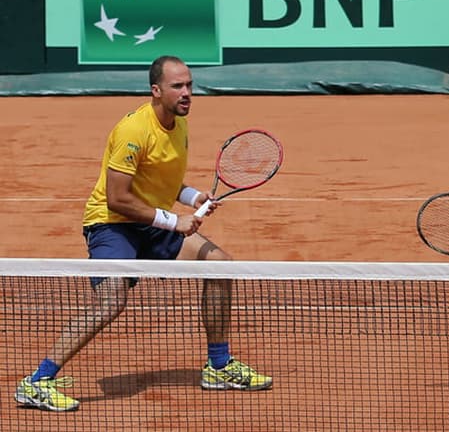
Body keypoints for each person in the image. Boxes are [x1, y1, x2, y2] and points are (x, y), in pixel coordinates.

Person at [15, 55, 272, 412]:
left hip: (151, 222)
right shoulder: (133, 130)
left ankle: (218, 367)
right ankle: (38, 381)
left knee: (219, 267)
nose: (187, 93)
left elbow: (160, 179)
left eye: (189, 85)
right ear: (156, 90)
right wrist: (174, 221)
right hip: (112, 224)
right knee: (111, 301)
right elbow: (118, 198)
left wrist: (192, 196)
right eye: (177, 86)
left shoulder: (178, 124)